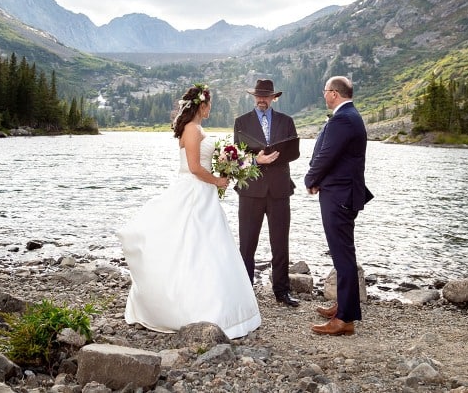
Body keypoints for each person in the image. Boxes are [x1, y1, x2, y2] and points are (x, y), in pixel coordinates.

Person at [117, 83, 262, 339]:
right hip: (194, 191)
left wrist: (227, 167)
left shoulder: (196, 128)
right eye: (209, 106)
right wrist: (217, 180)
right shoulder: (193, 129)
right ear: (202, 105)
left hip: (202, 194)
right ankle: (195, 308)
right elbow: (194, 167)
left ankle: (218, 305)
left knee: (206, 246)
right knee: (194, 247)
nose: (210, 110)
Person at [303, 75, 373, 336]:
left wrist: (311, 179)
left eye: (325, 91)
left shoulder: (344, 118)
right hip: (341, 192)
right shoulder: (350, 116)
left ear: (334, 93)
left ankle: (345, 319)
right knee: (343, 253)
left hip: (339, 195)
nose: (324, 96)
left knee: (342, 255)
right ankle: (344, 305)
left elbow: (326, 155)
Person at [234, 79, 302, 307]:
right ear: (253, 97)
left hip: (280, 190)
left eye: (266, 96)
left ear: (274, 98)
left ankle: (282, 291)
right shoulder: (241, 122)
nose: (262, 100)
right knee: (247, 244)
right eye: (258, 96)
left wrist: (278, 156)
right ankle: (245, 291)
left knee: (280, 243)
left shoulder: (287, 121)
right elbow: (236, 160)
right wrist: (256, 159)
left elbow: (294, 153)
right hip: (250, 190)